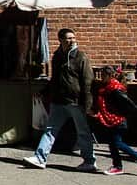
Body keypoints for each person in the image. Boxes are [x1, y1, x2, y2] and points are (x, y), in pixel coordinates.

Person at [23, 28, 97, 171]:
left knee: (82, 132)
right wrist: (44, 92)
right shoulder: (57, 56)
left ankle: (89, 161)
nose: (71, 41)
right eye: (68, 38)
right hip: (59, 100)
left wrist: (88, 105)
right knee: (50, 130)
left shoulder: (81, 57)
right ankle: (40, 158)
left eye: (73, 38)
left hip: (76, 101)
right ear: (60, 40)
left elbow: (88, 82)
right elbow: (55, 79)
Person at [93, 65, 137, 175]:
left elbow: (128, 104)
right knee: (112, 144)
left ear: (110, 75)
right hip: (110, 119)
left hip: (117, 120)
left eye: (103, 75)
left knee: (117, 143)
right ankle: (117, 166)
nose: (101, 78)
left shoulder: (115, 89)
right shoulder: (107, 87)